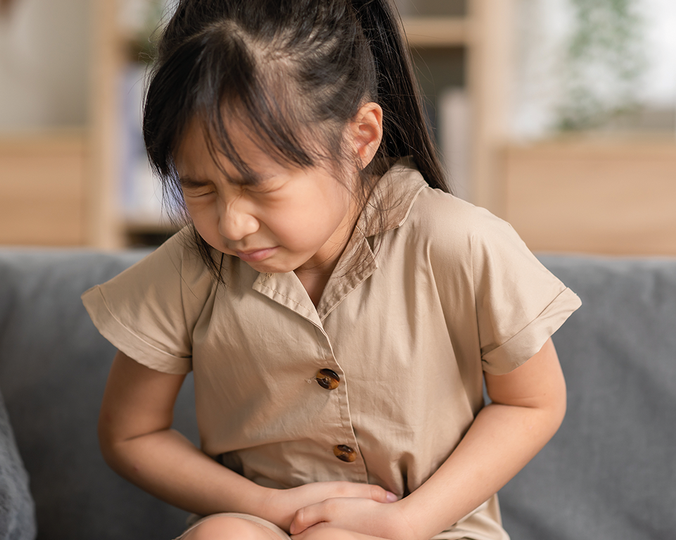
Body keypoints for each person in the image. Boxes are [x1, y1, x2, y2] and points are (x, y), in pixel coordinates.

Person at [81, 1, 582, 538]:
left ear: (360, 138)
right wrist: (267, 507)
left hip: (435, 528)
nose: (231, 223)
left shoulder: (458, 242)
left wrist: (408, 520)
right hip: (256, 522)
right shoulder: (190, 268)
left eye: (258, 185)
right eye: (197, 187)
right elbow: (130, 434)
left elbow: (532, 402)